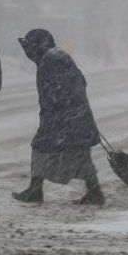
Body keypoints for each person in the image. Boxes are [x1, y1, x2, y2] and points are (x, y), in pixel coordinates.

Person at [12, 29, 104, 205]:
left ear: (39, 46)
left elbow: (58, 90)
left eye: (30, 47)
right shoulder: (57, 57)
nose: (28, 52)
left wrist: (58, 105)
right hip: (74, 116)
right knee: (80, 154)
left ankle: (35, 190)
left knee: (40, 148)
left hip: (62, 118)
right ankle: (95, 191)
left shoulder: (50, 60)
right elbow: (80, 82)